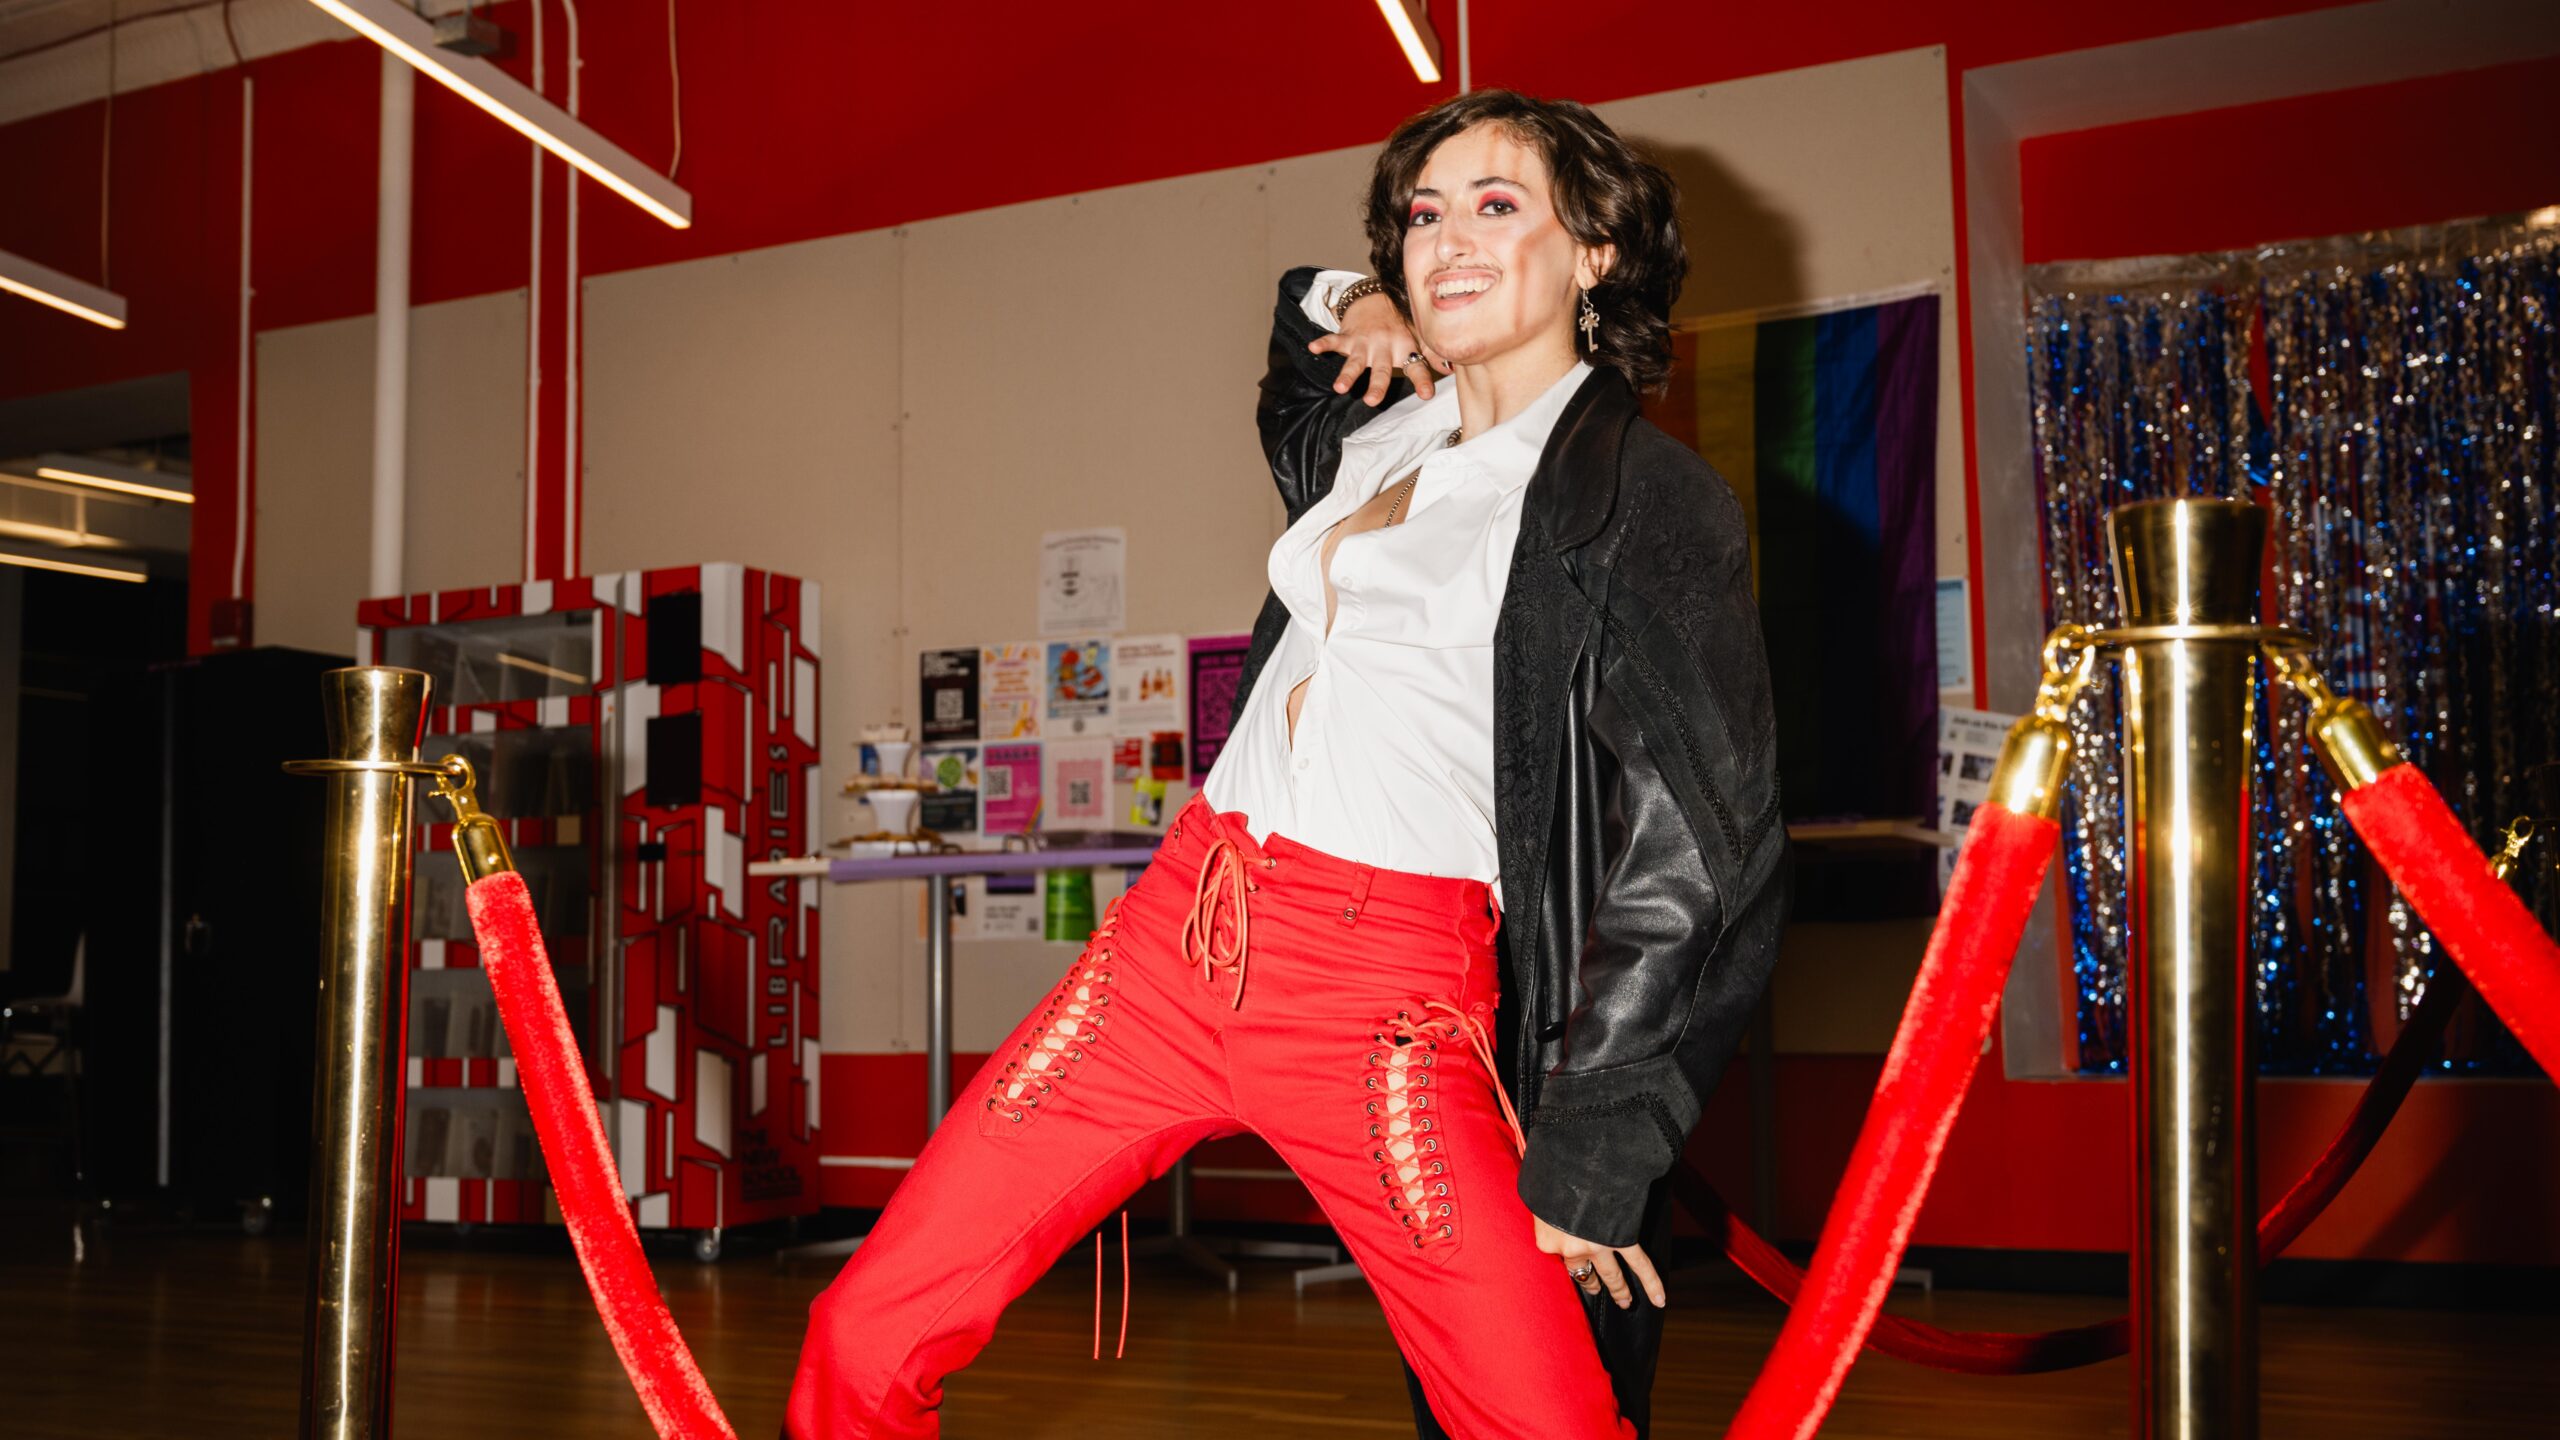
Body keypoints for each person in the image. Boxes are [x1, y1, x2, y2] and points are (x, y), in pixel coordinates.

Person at [785, 89, 1784, 1440]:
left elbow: (1705, 852)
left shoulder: (1640, 495)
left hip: (1384, 1003)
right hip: (1172, 943)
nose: (1448, 241)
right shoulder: (1382, 434)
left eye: (1499, 207)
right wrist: (1359, 299)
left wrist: (1606, 1137)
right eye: (1425, 216)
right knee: (866, 1328)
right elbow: (1291, 343)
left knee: (1548, 1424)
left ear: (1597, 250)